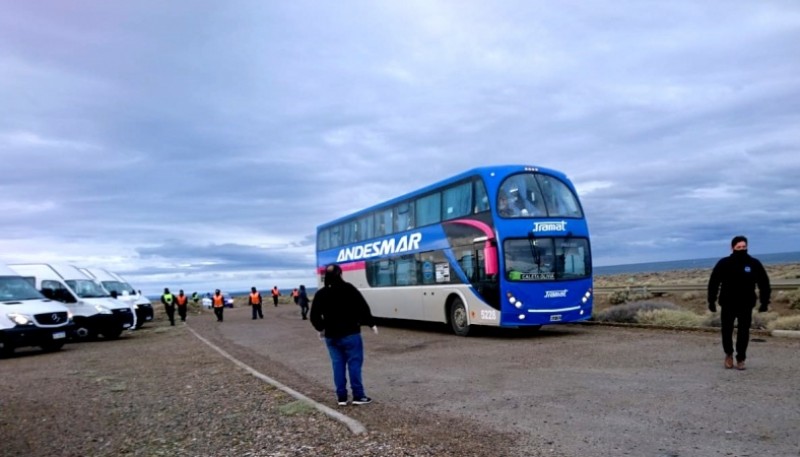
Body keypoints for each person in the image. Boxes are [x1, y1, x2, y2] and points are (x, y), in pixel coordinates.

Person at [310, 264, 378, 406]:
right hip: (351, 334)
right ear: (340, 274)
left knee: (337, 365)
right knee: (354, 364)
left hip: (331, 336)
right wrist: (371, 324)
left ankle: (341, 397)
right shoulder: (349, 289)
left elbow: (314, 316)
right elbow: (362, 307)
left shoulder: (321, 293)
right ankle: (358, 396)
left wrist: (321, 328)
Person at [707, 235, 771, 371]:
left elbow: (764, 283)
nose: (741, 249)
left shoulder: (753, 263)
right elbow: (713, 282)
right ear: (732, 247)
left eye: (744, 247)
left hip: (746, 304)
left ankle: (741, 358)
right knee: (726, 331)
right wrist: (711, 301)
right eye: (738, 247)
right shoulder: (723, 263)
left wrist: (764, 302)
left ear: (747, 247)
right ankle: (728, 354)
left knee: (743, 332)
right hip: (728, 303)